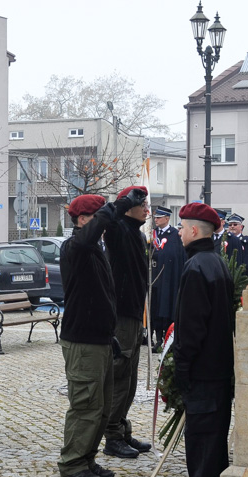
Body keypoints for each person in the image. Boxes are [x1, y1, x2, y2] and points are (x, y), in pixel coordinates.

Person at [58, 189, 148, 477]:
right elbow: (92, 233)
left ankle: (87, 458)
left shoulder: (94, 248)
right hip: (82, 340)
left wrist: (111, 333)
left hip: (100, 338)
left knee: (101, 406)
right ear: (83, 220)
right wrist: (120, 206)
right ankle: (72, 464)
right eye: (99, 218)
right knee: (85, 405)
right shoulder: (76, 246)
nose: (106, 224)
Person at [165, 202, 235, 477]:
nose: (179, 233)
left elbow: (191, 326)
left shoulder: (197, 266)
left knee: (202, 434)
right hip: (218, 366)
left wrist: (183, 367)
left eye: (182, 227)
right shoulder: (216, 262)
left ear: (194, 230)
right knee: (214, 431)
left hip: (203, 368)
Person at [102, 186, 153, 459]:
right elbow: (108, 220)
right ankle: (111, 435)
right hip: (121, 314)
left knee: (131, 377)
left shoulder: (136, 233)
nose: (147, 209)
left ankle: (122, 429)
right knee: (120, 375)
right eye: (141, 204)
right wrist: (122, 203)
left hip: (134, 313)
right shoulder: (119, 229)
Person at [149, 206, 185, 351]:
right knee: (156, 308)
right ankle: (157, 338)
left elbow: (180, 257)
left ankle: (169, 338)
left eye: (159, 217)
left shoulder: (176, 235)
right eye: (155, 217)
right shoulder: (152, 235)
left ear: (167, 218)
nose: (156, 220)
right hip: (156, 278)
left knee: (169, 307)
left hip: (171, 278)